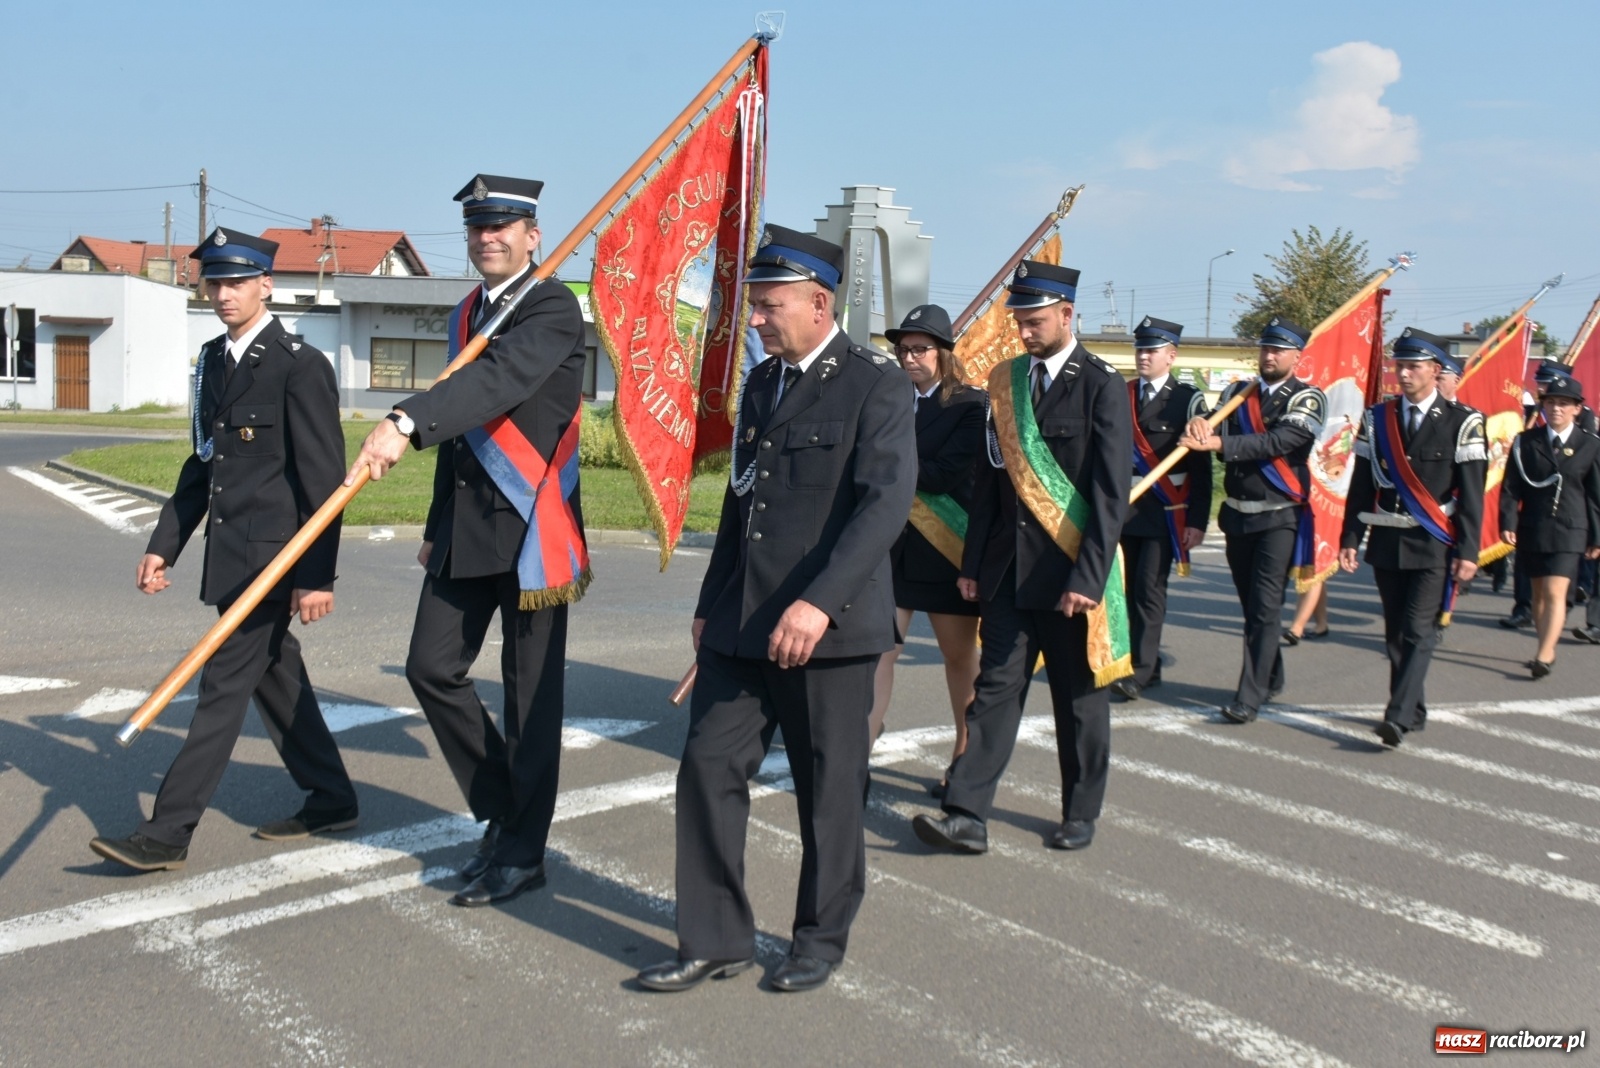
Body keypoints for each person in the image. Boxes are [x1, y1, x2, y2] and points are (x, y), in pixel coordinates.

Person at [636, 225, 915, 994]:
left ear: (820, 303)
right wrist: (708, 604)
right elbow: (740, 506)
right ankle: (715, 938)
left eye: (770, 305)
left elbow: (883, 507)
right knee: (707, 769)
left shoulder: (875, 383)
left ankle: (819, 940)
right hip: (742, 623)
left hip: (830, 629)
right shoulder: (763, 385)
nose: (755, 319)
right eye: (755, 305)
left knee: (828, 790)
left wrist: (819, 605)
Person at [347, 174, 590, 907]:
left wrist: (403, 421)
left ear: (532, 235)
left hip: (531, 529)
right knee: (431, 668)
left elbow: (499, 384)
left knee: (530, 702)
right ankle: (502, 806)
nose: (489, 238)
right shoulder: (467, 312)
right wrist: (432, 527)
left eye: (504, 227)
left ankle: (523, 851)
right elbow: (461, 437)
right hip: (464, 529)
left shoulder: (551, 306)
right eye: (478, 227)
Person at [90, 229, 357, 871]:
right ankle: (332, 795)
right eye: (215, 281)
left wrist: (316, 576)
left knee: (221, 685)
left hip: (273, 564)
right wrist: (167, 543)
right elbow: (204, 463)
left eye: (237, 281)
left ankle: (166, 833)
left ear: (267, 284)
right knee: (275, 675)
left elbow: (326, 483)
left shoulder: (299, 364)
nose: (224, 293)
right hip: (228, 559)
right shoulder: (213, 361)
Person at [911, 259, 1130, 856]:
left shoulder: (1102, 385)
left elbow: (1111, 497)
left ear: (1066, 314)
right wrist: (973, 566)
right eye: (1020, 323)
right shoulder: (1005, 382)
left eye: (1034, 322)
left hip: (1070, 578)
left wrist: (1088, 576)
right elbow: (990, 484)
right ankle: (966, 812)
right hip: (1008, 574)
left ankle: (1080, 810)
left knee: (1077, 701)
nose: (1025, 332)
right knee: (994, 692)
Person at [1338, 327, 1485, 747]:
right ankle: (1414, 708)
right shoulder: (1377, 418)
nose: (1403, 374)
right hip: (1387, 539)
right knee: (1396, 634)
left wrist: (1469, 551)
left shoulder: (1464, 422)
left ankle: (1397, 715)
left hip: (1434, 541)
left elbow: (1472, 495)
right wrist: (1351, 536)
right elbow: (1362, 485)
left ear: (1435, 371)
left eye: (1413, 367)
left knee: (1420, 630)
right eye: (1399, 365)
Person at [1179, 318, 1327, 724]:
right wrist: (1199, 423)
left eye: (1279, 350)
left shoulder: (1308, 398)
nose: (1270, 355)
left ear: (1297, 356)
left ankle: (1249, 696)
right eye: (1265, 348)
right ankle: (1271, 673)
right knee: (1254, 608)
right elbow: (1211, 423)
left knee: (1264, 608)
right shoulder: (1235, 394)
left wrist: (1220, 442)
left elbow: (1278, 442)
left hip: (1279, 518)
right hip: (1238, 518)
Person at [867, 303, 985, 794]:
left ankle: (965, 756)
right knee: (880, 652)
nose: (909, 358)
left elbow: (941, 476)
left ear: (944, 353)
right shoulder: (889, 400)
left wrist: (886, 456)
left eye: (920, 349)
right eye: (903, 350)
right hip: (893, 547)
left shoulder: (970, 407)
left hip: (946, 549)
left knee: (958, 656)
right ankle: (861, 747)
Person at [1111, 316, 1211, 701]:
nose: (1143, 356)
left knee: (1148, 594)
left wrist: (1198, 520)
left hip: (1162, 513)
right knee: (1122, 591)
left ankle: (1143, 669)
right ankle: (1127, 661)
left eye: (1151, 350)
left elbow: (1200, 470)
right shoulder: (1121, 393)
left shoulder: (1189, 400)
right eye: (1140, 348)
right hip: (1123, 511)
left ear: (1171, 355)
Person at [1498, 368, 1600, 678]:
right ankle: (1546, 646)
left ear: (1577, 409)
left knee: (1556, 591)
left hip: (1572, 527)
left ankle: (1545, 653)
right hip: (1533, 525)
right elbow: (1511, 486)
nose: (1556, 408)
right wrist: (1508, 520)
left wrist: (1597, 536)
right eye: (1551, 402)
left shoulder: (1591, 444)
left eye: (1564, 403)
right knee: (1539, 593)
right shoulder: (1526, 441)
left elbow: (1595, 495)